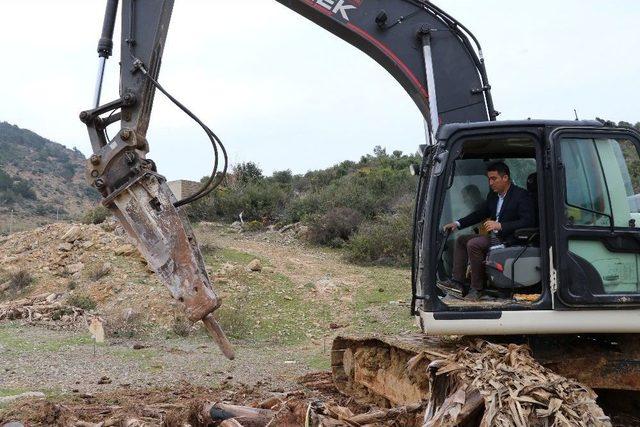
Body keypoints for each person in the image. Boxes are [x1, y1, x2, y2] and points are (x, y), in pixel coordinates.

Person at [439, 162, 534, 300]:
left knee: (474, 244)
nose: (490, 183)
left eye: (493, 178)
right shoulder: (493, 197)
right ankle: (457, 283)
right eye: (489, 179)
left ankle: (477, 289)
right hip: (496, 237)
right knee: (461, 240)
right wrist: (458, 223)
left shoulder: (521, 195)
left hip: (510, 238)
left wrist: (501, 225)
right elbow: (479, 214)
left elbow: (528, 221)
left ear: (505, 177)